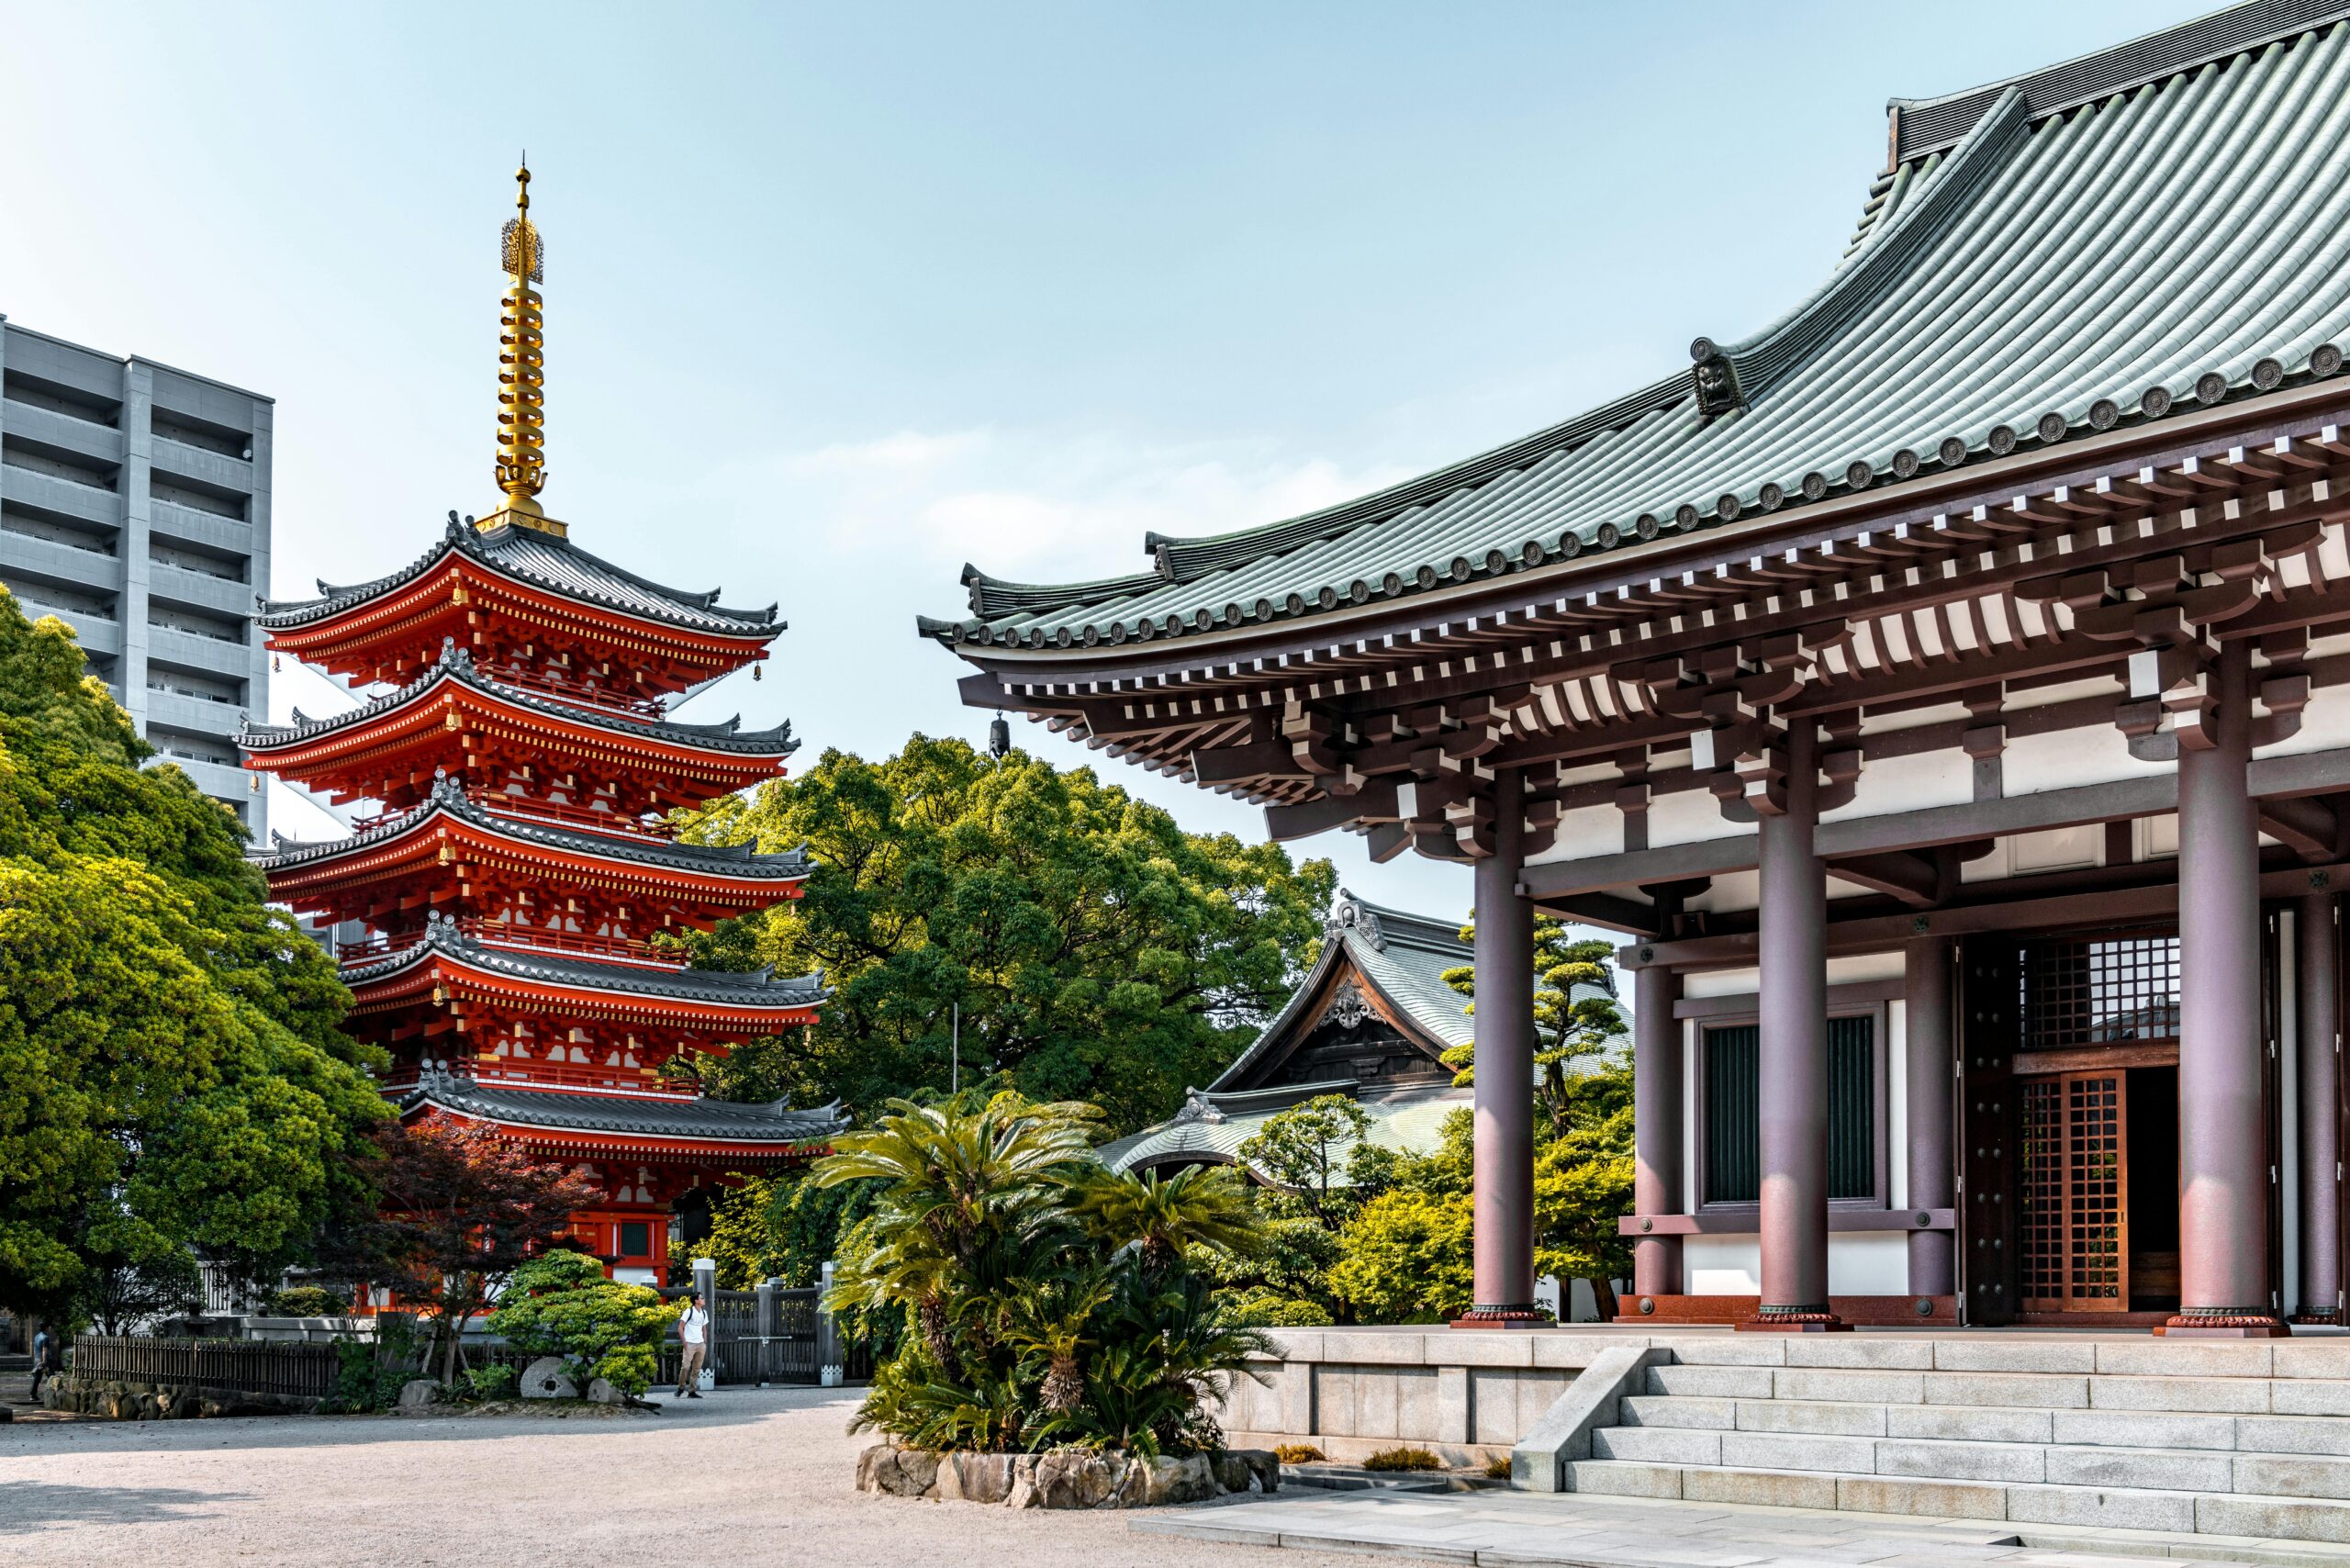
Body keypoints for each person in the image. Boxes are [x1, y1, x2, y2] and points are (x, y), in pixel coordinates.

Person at [675, 1291, 708, 1399]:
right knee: (685, 1367)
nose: (703, 1300)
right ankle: (681, 1388)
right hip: (689, 1343)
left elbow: (704, 1328)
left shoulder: (704, 1313)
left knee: (696, 1369)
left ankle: (692, 1391)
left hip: (700, 1344)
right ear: (696, 1301)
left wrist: (704, 1341)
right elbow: (680, 1327)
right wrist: (684, 1342)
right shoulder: (689, 1311)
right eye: (701, 1298)